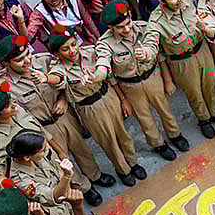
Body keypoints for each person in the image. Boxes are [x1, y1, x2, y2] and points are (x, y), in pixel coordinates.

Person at [0, 35, 110, 202]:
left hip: (64, 115)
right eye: (19, 60)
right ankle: (83, 186)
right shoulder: (1, 85)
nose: (27, 61)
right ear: (5, 64)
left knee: (81, 148)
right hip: (43, 127)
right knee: (61, 160)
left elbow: (65, 79)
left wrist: (63, 99)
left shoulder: (44, 61)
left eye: (27, 54)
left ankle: (95, 175)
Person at [93, 0, 190, 160]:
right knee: (144, 118)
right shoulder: (105, 44)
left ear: (130, 16)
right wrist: (121, 97)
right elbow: (108, 71)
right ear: (111, 28)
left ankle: (175, 135)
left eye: (127, 23)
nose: (126, 29)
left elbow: (160, 56)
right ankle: (158, 144)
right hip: (130, 86)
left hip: (153, 77)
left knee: (165, 109)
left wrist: (167, 80)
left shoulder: (145, 28)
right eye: (120, 27)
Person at [46, 35, 144, 187]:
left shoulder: (90, 52)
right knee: (108, 140)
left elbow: (109, 75)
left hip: (108, 95)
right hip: (90, 107)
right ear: (58, 54)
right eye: (65, 49)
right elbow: (57, 79)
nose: (72, 51)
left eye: (73, 44)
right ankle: (123, 169)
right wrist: (46, 79)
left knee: (122, 133)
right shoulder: (59, 69)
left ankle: (133, 162)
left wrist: (123, 99)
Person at [144, 0, 215, 139]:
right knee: (194, 92)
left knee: (210, 84)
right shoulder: (156, 22)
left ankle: (214, 113)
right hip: (182, 61)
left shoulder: (189, 0)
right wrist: (147, 53)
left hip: (202, 50)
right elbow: (154, 46)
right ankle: (204, 119)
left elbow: (203, 17)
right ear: (161, 1)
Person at [24, 0, 100, 46]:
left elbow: (88, 22)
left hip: (87, 42)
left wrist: (99, 40)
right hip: (66, 50)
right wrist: (21, 20)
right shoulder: (39, 12)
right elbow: (28, 37)